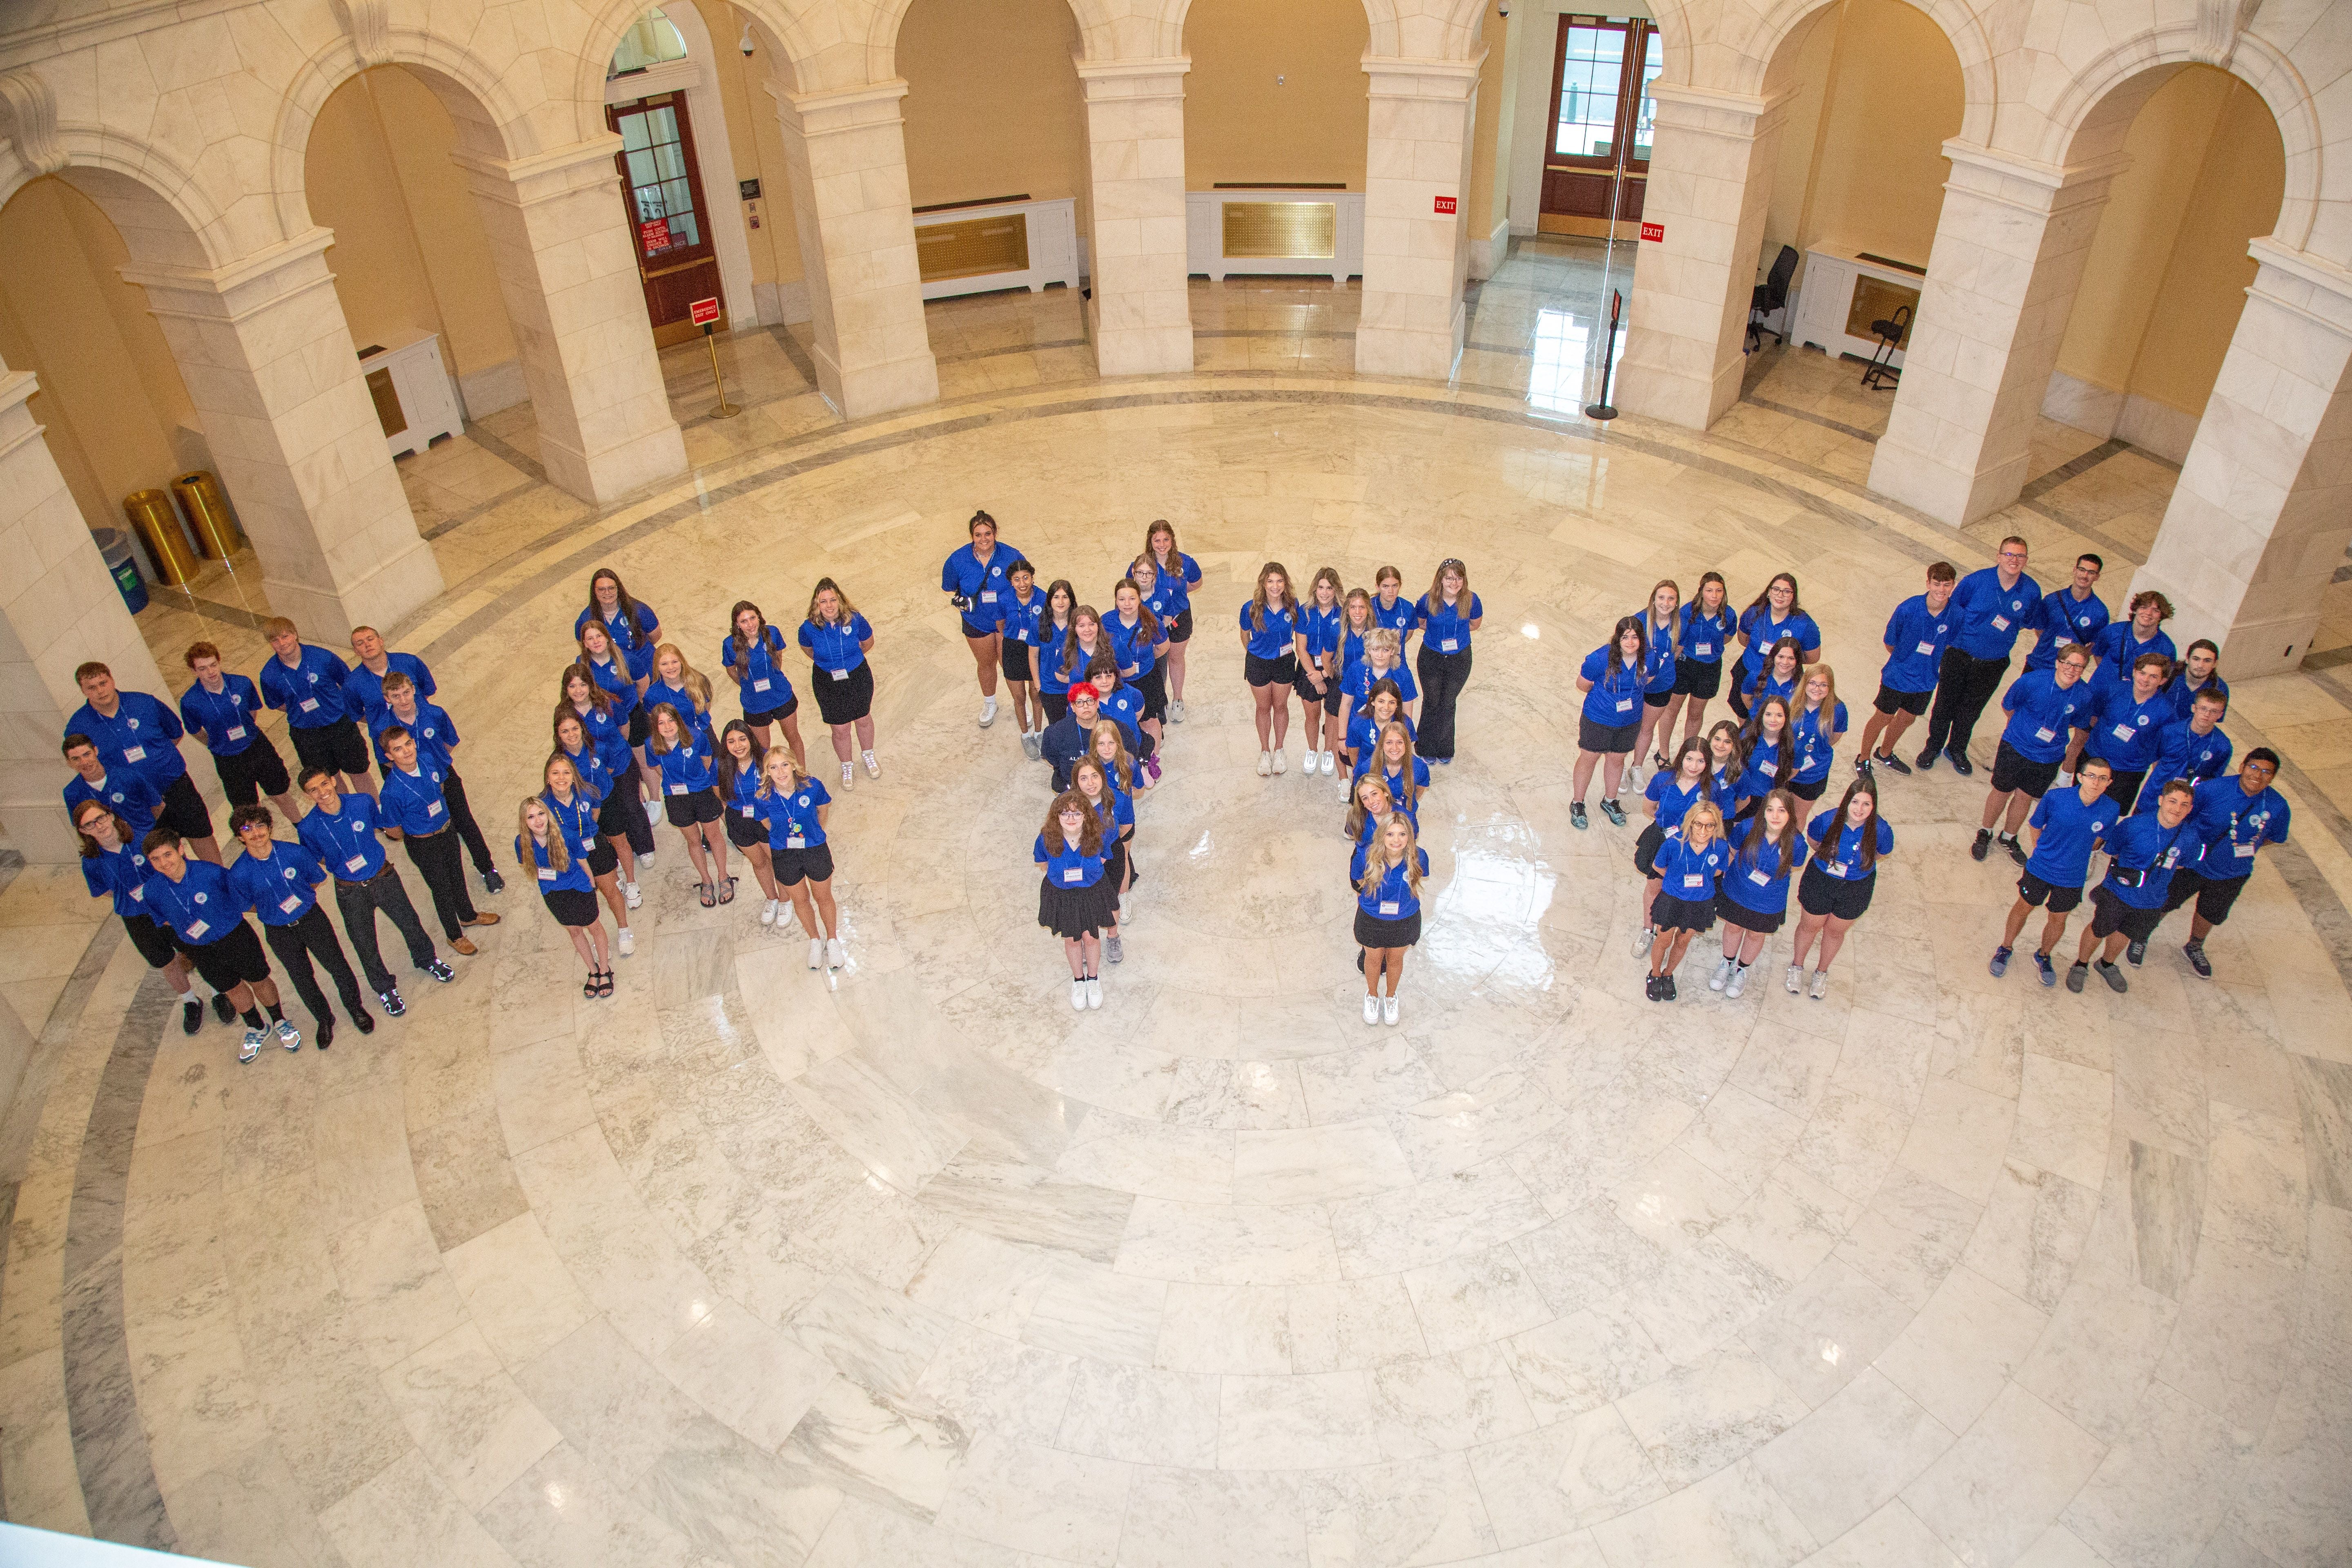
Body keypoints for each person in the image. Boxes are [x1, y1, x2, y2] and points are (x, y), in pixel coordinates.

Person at [294, 768, 450, 1012]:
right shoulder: (307, 827)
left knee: (410, 922)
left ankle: (427, 960)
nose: (322, 792)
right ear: (307, 796)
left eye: (324, 784)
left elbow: (382, 827)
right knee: (365, 943)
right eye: (313, 790)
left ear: (334, 781)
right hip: (350, 891)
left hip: (384, 877)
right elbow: (318, 858)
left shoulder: (362, 802)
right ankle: (385, 988)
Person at [140, 829, 298, 1062]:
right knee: (231, 988)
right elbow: (163, 919)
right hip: (200, 949)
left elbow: (243, 896)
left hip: (235, 937)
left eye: (167, 855)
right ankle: (256, 1027)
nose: (164, 863)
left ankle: (279, 1021)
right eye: (156, 859)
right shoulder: (152, 890)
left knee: (259, 980)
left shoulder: (211, 873)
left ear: (181, 850)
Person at [225, 804, 372, 1047]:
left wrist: (299, 900)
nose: (256, 832)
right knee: (302, 978)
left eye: (260, 825)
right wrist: (272, 909)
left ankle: (356, 1008)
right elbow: (245, 905)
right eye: (247, 829)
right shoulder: (238, 873)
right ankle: (324, 1019)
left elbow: (316, 880)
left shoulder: (294, 853)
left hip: (311, 919)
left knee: (337, 964)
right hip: (279, 931)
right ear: (240, 837)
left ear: (270, 827)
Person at [73, 799, 220, 1034]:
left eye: (100, 818)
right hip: (136, 917)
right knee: (164, 961)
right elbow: (104, 891)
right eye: (89, 825)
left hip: (168, 905)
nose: (98, 826)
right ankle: (190, 1000)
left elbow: (174, 866)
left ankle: (217, 991)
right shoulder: (91, 861)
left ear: (110, 815)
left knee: (194, 948)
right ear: (83, 832)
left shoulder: (142, 840)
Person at [67, 660, 221, 862]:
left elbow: (175, 733)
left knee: (200, 832)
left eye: (103, 683)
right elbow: (84, 763)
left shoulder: (144, 703)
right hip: (133, 800)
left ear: (112, 680)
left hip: (174, 785)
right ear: (83, 691)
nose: (100, 691)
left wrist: (157, 762)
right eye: (92, 688)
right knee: (157, 851)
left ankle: (219, 878)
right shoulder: (78, 726)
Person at [1989, 757, 2118, 986]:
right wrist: (2042, 850)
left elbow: (2100, 840)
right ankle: (2006, 947)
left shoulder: (2111, 809)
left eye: (2102, 778)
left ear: (2109, 782)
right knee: (2023, 907)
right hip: (2041, 869)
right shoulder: (2057, 798)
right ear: (2080, 777)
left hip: (2072, 877)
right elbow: (2035, 824)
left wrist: (2078, 853)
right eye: (2091, 776)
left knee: (2059, 919)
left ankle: (2044, 955)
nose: (2096, 783)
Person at [2160, 750, 2289, 978]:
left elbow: (2273, 837)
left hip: (2234, 871)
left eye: (2266, 772)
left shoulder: (2279, 806)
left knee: (2211, 913)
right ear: (2243, 766)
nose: (2258, 776)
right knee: (2164, 901)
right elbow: (2184, 817)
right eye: (2254, 768)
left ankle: (2194, 946)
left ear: (2273, 777)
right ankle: (2140, 935)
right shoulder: (2213, 789)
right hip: (2193, 864)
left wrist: (2244, 847)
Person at [1918, 538, 2042, 773]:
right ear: (1999, 556)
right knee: (1945, 704)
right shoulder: (1976, 582)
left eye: (2020, 556)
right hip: (1959, 654)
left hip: (1994, 662)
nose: (2014, 561)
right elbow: (1953, 610)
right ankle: (1933, 747)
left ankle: (1956, 749)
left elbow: (2028, 621)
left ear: (2026, 561)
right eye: (2009, 555)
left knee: (1972, 709)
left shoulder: (2031, 591)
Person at [374, 672, 503, 893]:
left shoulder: (435, 714)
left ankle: (487, 868)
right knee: (429, 831)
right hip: (413, 787)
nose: (404, 700)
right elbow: (385, 760)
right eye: (396, 696)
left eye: (407, 692)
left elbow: (449, 743)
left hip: (443, 777)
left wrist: (433, 769)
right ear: (387, 698)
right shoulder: (382, 726)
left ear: (414, 689)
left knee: (465, 822)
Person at [379, 724, 501, 953]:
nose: (406, 751)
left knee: (457, 874)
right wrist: (420, 829)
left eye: (408, 744)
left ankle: (467, 915)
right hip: (423, 842)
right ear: (389, 756)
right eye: (398, 749)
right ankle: (454, 935)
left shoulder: (427, 759)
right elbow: (394, 830)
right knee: (441, 888)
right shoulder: (391, 791)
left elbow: (442, 785)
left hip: (446, 829)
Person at [1972, 643, 2098, 866]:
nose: (2072, 670)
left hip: (2049, 756)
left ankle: (2009, 837)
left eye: (2079, 667)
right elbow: (2008, 706)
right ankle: (1986, 831)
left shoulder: (2084, 695)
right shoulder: (2033, 681)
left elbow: (2078, 724)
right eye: (2069, 664)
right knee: (2001, 791)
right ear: (2058, 663)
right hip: (2016, 747)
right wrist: (2022, 729)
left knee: (2025, 797)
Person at [2069, 779, 2198, 993]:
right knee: (2099, 928)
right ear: (2161, 800)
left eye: (2184, 805)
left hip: (2153, 900)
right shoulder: (2133, 825)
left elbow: (2184, 864)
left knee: (2125, 933)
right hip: (2118, 892)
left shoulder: (2190, 837)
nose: (2177, 809)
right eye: (2173, 801)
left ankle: (2107, 964)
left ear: (2190, 809)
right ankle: (2081, 964)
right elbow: (2112, 851)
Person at [1790, 776, 1891, 998]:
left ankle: (1822, 972)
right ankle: (1797, 967)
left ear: (1873, 806)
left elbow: (1882, 853)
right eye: (1855, 802)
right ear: (1847, 801)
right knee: (1809, 926)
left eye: (1866, 804)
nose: (1860, 809)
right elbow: (1814, 841)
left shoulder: (1881, 830)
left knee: (1836, 932)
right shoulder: (1827, 820)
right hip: (1821, 880)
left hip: (1856, 887)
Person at [179, 642, 302, 820]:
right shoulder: (190, 701)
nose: (211, 672)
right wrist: (218, 742)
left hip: (256, 746)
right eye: (203, 668)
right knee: (247, 809)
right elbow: (196, 731)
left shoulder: (241, 683)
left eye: (214, 665)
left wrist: (245, 730)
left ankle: (301, 828)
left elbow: (252, 711)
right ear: (194, 671)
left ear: (219, 662)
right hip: (228, 759)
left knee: (280, 793)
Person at [1855, 562, 1958, 775]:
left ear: (1953, 586)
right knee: (1883, 718)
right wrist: (1906, 660)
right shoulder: (1908, 608)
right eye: (1937, 584)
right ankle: (1863, 758)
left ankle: (1884, 753)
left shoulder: (1957, 614)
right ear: (1928, 583)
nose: (1941, 590)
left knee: (1907, 719)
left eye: (1947, 585)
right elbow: (1890, 643)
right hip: (1897, 677)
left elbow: (1950, 643)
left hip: (1926, 680)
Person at [255, 619, 374, 802]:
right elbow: (277, 704)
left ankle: (376, 812)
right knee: (328, 779)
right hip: (306, 735)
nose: (282, 643)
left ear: (295, 634)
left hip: (339, 724)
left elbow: (348, 683)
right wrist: (302, 711)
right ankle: (347, 817)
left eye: (285, 636)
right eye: (275, 640)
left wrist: (334, 704)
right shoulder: (269, 674)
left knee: (358, 771)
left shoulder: (323, 657)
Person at [558, 669, 652, 895]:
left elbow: (624, 728)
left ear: (591, 684)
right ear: (566, 690)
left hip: (618, 763)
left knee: (631, 805)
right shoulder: (564, 714)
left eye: (583, 684)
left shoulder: (607, 703)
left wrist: (609, 762)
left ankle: (644, 848)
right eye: (572, 686)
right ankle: (614, 857)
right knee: (602, 820)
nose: (579, 691)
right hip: (589, 778)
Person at [753, 747, 843, 970]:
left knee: (823, 897)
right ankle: (815, 939)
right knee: (800, 899)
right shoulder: (763, 797)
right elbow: (768, 824)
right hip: (785, 853)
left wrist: (816, 833)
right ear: (767, 772)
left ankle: (832, 940)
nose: (780, 771)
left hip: (815, 847)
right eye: (773, 767)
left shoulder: (812, 786)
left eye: (784, 764)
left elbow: (823, 811)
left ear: (793, 764)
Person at [1711, 788, 1806, 997]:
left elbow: (1795, 864)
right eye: (1770, 810)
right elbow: (1733, 851)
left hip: (1769, 900)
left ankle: (1741, 970)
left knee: (1755, 934)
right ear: (1763, 811)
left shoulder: (1797, 843)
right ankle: (1726, 963)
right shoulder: (1746, 828)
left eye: (1782, 810)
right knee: (1733, 927)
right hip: (1738, 890)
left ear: (1790, 814)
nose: (1775, 816)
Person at [543, 748, 633, 957]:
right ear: (548, 777)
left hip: (594, 847)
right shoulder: (543, 805)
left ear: (574, 774)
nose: (561, 778)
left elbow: (594, 816)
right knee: (584, 899)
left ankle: (624, 930)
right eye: (555, 773)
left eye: (566, 772)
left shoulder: (588, 792)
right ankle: (598, 938)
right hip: (568, 859)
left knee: (610, 890)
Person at [517, 796, 611, 997]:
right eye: (531, 817)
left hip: (578, 888)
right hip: (553, 893)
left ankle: (605, 970)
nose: (538, 821)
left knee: (594, 926)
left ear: (548, 814)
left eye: (541, 814)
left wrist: (592, 885)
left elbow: (584, 863)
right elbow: (528, 865)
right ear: (524, 822)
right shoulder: (522, 843)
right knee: (575, 932)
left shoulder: (567, 835)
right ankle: (593, 971)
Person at [1633, 736, 1716, 958]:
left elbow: (1715, 818)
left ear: (1707, 763)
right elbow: (1649, 808)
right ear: (1682, 757)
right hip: (1662, 841)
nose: (1693, 766)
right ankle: (1647, 930)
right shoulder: (1663, 779)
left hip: (1694, 848)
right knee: (1654, 886)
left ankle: (1671, 929)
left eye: (1700, 761)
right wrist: (1667, 829)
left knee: (1679, 890)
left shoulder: (1711, 788)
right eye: (1689, 759)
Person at [2064, 651, 2174, 812]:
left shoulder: (2167, 711)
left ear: (2163, 681)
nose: (2145, 680)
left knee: (2108, 816)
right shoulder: (2114, 690)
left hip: (2128, 771)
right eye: (2142, 673)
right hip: (2094, 758)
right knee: (2078, 805)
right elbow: (2093, 718)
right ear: (2135, 672)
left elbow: (2161, 747)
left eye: (2153, 676)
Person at [942, 510, 1023, 726]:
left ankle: (1020, 705)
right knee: (986, 664)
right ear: (972, 536)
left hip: (1006, 621)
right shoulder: (957, 559)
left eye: (988, 534)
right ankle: (990, 703)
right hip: (976, 621)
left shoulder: (1012, 555)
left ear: (995, 533)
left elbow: (1024, 583)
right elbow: (949, 586)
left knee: (1011, 666)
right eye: (978, 535)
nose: (984, 539)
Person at [647, 702, 731, 906]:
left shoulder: (697, 737)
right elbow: (658, 769)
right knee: (693, 840)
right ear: (655, 727)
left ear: (679, 720)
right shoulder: (651, 745)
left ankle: (723, 877)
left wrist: (693, 782)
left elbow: (707, 762)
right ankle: (707, 880)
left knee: (714, 836)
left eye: (671, 720)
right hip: (676, 798)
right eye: (661, 723)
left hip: (702, 792)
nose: (667, 727)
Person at [1037, 791, 1115, 1009]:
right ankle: (1078, 980)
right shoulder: (1046, 837)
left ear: (1086, 815)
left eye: (1077, 814)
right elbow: (1043, 862)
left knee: (1091, 937)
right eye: (1064, 814)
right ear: (1056, 816)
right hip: (1063, 894)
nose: (1071, 819)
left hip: (1091, 891)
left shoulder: (1097, 835)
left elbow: (1102, 859)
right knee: (1072, 939)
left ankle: (1093, 979)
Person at [799, 577, 879, 791]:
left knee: (863, 718)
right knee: (840, 728)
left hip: (857, 675)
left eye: (833, 600)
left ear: (840, 600)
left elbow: (868, 642)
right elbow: (808, 650)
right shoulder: (808, 628)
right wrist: (829, 661)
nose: (829, 606)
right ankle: (847, 765)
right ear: (816, 604)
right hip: (827, 681)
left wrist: (849, 660)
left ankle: (868, 756)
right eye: (823, 601)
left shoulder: (855, 619)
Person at [1645, 802, 1729, 1001]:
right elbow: (1658, 867)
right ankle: (1655, 973)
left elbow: (1717, 872)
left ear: (1716, 827)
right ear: (1690, 823)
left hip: (1700, 903)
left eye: (1710, 826)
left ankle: (1668, 974)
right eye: (1698, 824)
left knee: (1683, 941)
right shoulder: (1673, 844)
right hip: (1672, 900)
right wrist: (1675, 881)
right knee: (1663, 940)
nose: (1703, 830)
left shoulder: (1721, 848)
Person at [1352, 813, 1430, 1025]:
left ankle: (1391, 997)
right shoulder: (1365, 857)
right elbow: (1359, 880)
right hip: (1372, 918)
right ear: (1381, 835)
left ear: (1410, 837)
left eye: (1403, 834)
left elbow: (1418, 878)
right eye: (1390, 834)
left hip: (1405, 918)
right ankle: (1372, 995)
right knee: (1374, 959)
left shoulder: (1419, 856)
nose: (1397, 840)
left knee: (1395, 960)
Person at [1571, 615, 1648, 829]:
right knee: (1589, 759)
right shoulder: (1599, 659)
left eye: (1635, 637)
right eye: (1625, 637)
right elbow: (1583, 684)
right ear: (1617, 638)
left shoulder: (1649, 658)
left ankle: (1610, 800)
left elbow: (1647, 681)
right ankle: (1578, 803)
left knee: (1617, 760)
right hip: (1598, 719)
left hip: (1629, 721)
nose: (1631, 642)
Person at [718, 601, 804, 766]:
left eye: (753, 618)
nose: (750, 624)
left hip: (780, 695)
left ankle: (802, 773)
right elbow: (731, 671)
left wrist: (772, 677)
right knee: (762, 749)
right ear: (737, 625)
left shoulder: (772, 633)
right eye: (744, 621)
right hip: (754, 703)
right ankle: (768, 782)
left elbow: (778, 659)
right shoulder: (729, 644)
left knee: (794, 738)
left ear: (759, 618)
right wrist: (747, 685)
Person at [1658, 571, 1736, 754]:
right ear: (1701, 591)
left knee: (1695, 713)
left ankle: (1687, 752)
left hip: (1710, 668)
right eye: (1710, 591)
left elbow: (1727, 637)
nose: (1714, 596)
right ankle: (1663, 752)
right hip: (1685, 665)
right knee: (1672, 710)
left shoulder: (1729, 615)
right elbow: (1678, 643)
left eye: (1719, 591)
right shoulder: (1687, 612)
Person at [1414, 558, 1481, 765]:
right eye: (1449, 578)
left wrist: (1455, 636)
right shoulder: (1428, 600)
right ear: (1441, 580)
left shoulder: (1472, 599)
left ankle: (1444, 748)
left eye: (1459, 578)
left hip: (1460, 658)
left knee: (1448, 702)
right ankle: (1425, 746)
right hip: (1431, 656)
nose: (1454, 583)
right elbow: (1420, 623)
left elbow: (1475, 624)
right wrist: (1439, 635)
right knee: (1432, 700)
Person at [1728, 573, 1821, 721]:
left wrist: (1785, 661)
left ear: (1793, 596)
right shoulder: (1754, 613)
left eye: (1787, 592)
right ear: (1769, 592)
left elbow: (1813, 657)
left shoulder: (1805, 624)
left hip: (1783, 680)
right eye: (1776, 590)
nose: (1780, 595)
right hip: (1749, 672)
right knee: (1745, 718)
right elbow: (1744, 639)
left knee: (1777, 722)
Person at [716, 719, 781, 925]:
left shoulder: (765, 758)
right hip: (740, 820)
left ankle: (787, 900)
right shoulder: (722, 764)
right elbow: (718, 791)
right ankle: (772, 900)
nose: (738, 746)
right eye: (732, 741)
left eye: (742, 739)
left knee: (777, 861)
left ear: (751, 739)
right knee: (759, 863)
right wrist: (728, 812)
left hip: (767, 818)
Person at [1240, 562, 1302, 776]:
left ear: (1286, 583)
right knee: (1263, 707)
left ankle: (1279, 749)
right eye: (1270, 581)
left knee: (1281, 706)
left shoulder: (1293, 606)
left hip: (1284, 662)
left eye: (1279, 581)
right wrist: (1256, 652)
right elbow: (1244, 634)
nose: (1275, 586)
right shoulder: (1251, 608)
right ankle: (1265, 751)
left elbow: (1300, 633)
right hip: (1258, 663)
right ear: (1263, 584)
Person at [1073, 757, 1134, 965]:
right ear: (1076, 781)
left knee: (1112, 900)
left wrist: (1108, 849)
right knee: (1082, 903)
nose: (1090, 783)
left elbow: (1126, 826)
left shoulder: (1118, 798)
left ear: (1103, 777)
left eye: (1095, 776)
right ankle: (1083, 940)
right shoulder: (1067, 804)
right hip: (1081, 861)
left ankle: (1113, 937)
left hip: (1112, 857)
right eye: (1084, 778)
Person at [1142, 521, 1203, 721]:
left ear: (1172, 540)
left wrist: (1175, 597)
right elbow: (1133, 590)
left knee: (1175, 658)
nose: (1162, 544)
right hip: (1151, 621)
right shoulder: (1142, 565)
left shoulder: (1186, 562)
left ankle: (1178, 700)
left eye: (1166, 539)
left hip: (1179, 619)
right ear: (1150, 542)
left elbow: (1196, 583)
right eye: (1157, 540)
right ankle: (1159, 701)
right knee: (1155, 661)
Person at [1106, 577, 1168, 773]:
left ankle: (1153, 760)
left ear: (1139, 599)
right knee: (1122, 721)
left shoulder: (1150, 621)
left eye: (1132, 599)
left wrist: (1147, 662)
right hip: (1117, 683)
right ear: (1116, 600)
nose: (1127, 604)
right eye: (1122, 599)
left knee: (1150, 720)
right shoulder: (1106, 622)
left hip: (1147, 679)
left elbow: (1163, 647)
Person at [2135, 688, 2232, 814]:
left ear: (2220, 715)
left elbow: (2214, 778)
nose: (2207, 715)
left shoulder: (2222, 746)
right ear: (2194, 708)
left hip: (2184, 805)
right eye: (2203, 709)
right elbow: (2155, 760)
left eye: (2214, 711)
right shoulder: (2170, 732)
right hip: (2155, 795)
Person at [61, 733, 163, 844]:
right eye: (76, 759)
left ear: (96, 751)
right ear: (69, 763)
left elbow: (158, 807)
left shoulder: (129, 776)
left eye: (87, 755)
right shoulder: (72, 793)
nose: (84, 762)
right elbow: (83, 829)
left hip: (148, 841)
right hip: (112, 849)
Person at [1294, 567, 1346, 777]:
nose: (1325, 593)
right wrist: (1315, 678)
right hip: (1309, 670)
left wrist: (1324, 675)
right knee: (1312, 715)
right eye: (1321, 587)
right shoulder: (1305, 611)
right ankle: (1313, 750)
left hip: (1334, 670)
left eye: (1330, 588)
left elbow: (1341, 649)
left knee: (1333, 716)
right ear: (1315, 588)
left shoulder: (1343, 614)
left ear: (1336, 590)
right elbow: (1301, 649)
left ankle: (1328, 752)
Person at [1628, 580, 1681, 785]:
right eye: (1661, 597)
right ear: (1653, 600)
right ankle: (1620, 766)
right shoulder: (1639, 621)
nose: (1665, 603)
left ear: (1677, 603)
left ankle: (1637, 767)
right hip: (1636, 685)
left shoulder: (1680, 623)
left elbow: (1678, 650)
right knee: (1629, 726)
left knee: (1647, 728)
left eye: (1671, 599)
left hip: (1662, 685)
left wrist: (1661, 668)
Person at [575, 568, 660, 694]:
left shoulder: (639, 609)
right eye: (602, 589)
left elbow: (656, 635)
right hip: (615, 679)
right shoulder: (587, 618)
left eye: (611, 588)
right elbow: (585, 645)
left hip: (647, 669)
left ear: (618, 588)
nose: (607, 593)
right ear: (595, 592)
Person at [1785, 666, 1847, 831]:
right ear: (1804, 684)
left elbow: (1833, 738)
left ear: (1830, 687)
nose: (1817, 689)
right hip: (1785, 768)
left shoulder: (1838, 709)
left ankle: (1791, 848)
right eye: (1812, 683)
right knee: (1778, 810)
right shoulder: (1789, 701)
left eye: (1823, 685)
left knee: (1798, 815)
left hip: (1813, 773)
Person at [996, 559, 1048, 757]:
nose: (1022, 583)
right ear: (1011, 582)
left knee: (1036, 695)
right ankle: (1026, 736)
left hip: (1036, 648)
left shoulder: (1043, 598)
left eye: (1026, 578)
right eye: (1017, 579)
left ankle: (1038, 732)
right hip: (1013, 649)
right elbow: (1001, 625)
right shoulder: (1004, 599)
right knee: (1019, 697)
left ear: (1033, 578)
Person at [2024, 554, 2108, 676]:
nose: (2085, 576)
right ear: (2075, 570)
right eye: (2082, 570)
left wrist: (2078, 655)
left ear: (2097, 577)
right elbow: (2039, 628)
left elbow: (2096, 643)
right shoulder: (2052, 600)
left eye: (2091, 572)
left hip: (2068, 673)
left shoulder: (2100, 612)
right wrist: (2050, 641)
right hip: (2039, 663)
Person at [343, 626, 436, 728]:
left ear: (381, 641)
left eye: (370, 639)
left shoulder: (410, 662)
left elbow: (427, 690)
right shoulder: (352, 683)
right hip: (387, 737)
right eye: (360, 644)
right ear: (356, 651)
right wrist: (381, 722)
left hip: (423, 727)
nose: (367, 645)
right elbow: (357, 714)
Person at [1339, 628, 1419, 744]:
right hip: (1359, 731)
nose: (1380, 655)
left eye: (1386, 650)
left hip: (1391, 733)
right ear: (1369, 650)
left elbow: (1406, 714)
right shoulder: (1356, 669)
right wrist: (1342, 738)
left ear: (1393, 651)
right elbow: (1345, 705)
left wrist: (1402, 741)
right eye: (1376, 649)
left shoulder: (1403, 674)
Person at [2087, 590, 2175, 692]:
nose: (2148, 613)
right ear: (2136, 609)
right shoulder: (2112, 631)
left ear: (2162, 616)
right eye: (2144, 607)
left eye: (2156, 611)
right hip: (2099, 691)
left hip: (2130, 700)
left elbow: (2164, 678)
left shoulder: (2167, 648)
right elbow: (2098, 653)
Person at [1341, 683, 1415, 804]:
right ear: (1372, 701)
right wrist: (1362, 771)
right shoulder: (1359, 723)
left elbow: (1406, 752)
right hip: (1367, 776)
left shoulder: (1405, 723)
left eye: (1392, 702)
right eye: (1381, 701)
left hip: (1395, 777)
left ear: (1397, 705)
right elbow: (1354, 755)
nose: (1386, 708)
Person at [1732, 696, 1795, 823]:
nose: (1773, 720)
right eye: (1768, 714)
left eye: (1779, 715)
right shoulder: (1746, 736)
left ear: (1786, 718)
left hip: (1767, 802)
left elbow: (1792, 772)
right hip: (1742, 798)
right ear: (1761, 715)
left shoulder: (1792, 747)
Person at [1043, 683, 1108, 791]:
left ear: (1098, 703)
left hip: (1105, 783)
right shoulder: (1058, 731)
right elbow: (1051, 757)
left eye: (1090, 701)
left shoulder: (1114, 728)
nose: (1086, 706)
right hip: (1072, 784)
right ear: (1072, 707)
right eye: (1079, 703)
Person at [1034, 579, 1080, 730]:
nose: (1061, 602)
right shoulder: (1039, 624)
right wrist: (1038, 685)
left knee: (1078, 725)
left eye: (1065, 597)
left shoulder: (1079, 625)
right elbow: (1033, 656)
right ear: (1050, 600)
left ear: (1071, 600)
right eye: (1056, 597)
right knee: (1057, 728)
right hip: (1049, 689)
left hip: (1076, 686)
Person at [1738, 638, 1805, 722]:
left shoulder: (1803, 683)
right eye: (1781, 657)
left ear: (1797, 661)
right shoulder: (1756, 676)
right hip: (1758, 724)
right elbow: (1747, 697)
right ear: (1774, 657)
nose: (1785, 662)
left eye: (1791, 658)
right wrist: (1757, 717)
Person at [2163, 639, 2229, 722]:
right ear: (2187, 659)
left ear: (2215, 664)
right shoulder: (2168, 674)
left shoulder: (2219, 688)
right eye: (2196, 659)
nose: (2201, 665)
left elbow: (2213, 720)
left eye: (2207, 661)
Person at [1370, 566, 1419, 646]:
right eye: (1386, 586)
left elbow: (1409, 633)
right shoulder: (1368, 607)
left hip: (1398, 657)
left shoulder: (1408, 608)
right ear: (1378, 587)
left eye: (1395, 586)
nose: (1391, 591)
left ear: (1400, 585)